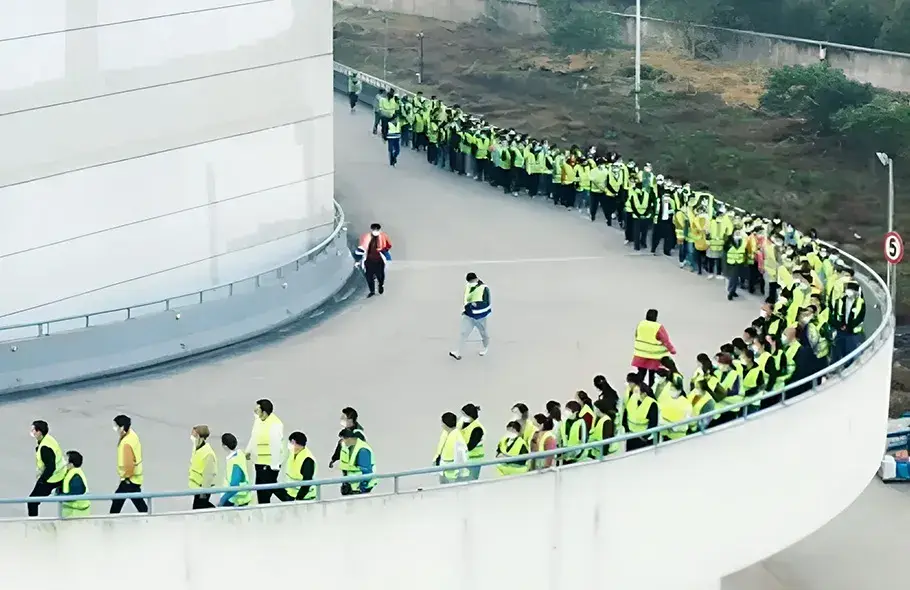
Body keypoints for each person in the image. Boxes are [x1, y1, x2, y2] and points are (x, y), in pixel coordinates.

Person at [245, 399, 284, 505]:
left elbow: (276, 444)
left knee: (269, 487)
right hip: (259, 462)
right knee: (261, 489)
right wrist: (248, 451)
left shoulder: (275, 424)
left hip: (270, 463)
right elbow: (254, 437)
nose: (255, 412)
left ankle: (289, 500)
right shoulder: (258, 421)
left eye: (257, 410)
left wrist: (274, 465)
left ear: (265, 412)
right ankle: (264, 508)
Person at [27, 420, 66, 517]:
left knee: (32, 501)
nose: (32, 432)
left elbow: (51, 467)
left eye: (33, 430)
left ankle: (33, 524)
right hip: (61, 473)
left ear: (39, 432)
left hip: (52, 478)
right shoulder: (48, 439)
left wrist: (42, 480)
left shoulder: (45, 448)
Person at [110, 414, 148, 514]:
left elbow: (129, 465)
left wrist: (126, 478)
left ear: (122, 427)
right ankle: (147, 515)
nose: (115, 428)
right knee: (136, 501)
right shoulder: (131, 435)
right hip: (133, 478)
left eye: (116, 426)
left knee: (118, 501)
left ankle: (110, 522)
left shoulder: (126, 443)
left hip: (129, 480)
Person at [449, 272, 491, 360]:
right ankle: (457, 352)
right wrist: (466, 309)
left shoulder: (484, 289)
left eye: (472, 281)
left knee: (483, 333)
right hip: (468, 315)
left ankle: (485, 347)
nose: (471, 283)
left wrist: (475, 306)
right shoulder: (468, 286)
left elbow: (487, 304)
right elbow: (466, 300)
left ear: (476, 279)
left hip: (480, 317)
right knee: (463, 333)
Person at [631, 308, 677, 387]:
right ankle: (650, 392)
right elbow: (665, 340)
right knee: (651, 377)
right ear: (656, 317)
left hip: (641, 354)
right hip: (653, 356)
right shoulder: (658, 327)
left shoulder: (641, 324)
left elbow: (636, 335)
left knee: (641, 375)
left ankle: (638, 391)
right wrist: (672, 350)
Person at [276, 432, 318, 501]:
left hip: (305, 498)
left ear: (297, 444)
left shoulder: (307, 459)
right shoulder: (293, 453)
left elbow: (307, 483)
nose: (289, 444)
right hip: (291, 494)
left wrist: (298, 499)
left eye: (291, 442)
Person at [831, 281, 865, 364]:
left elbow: (860, 317)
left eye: (850, 289)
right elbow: (835, 314)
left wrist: (849, 327)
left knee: (850, 351)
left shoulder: (860, 302)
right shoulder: (840, 301)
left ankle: (849, 366)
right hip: (840, 330)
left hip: (852, 332)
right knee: (839, 350)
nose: (847, 291)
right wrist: (839, 325)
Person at [356, 223, 392, 298]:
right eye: (374, 229)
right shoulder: (367, 237)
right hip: (369, 260)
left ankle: (380, 285)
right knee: (369, 276)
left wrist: (384, 249)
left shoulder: (383, 236)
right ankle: (372, 291)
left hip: (379, 260)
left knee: (380, 275)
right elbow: (362, 246)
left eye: (376, 229)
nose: (375, 231)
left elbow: (388, 245)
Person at [337, 428, 376, 495]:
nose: (342, 442)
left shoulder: (362, 450)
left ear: (349, 438)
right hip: (351, 486)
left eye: (343, 439)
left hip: (360, 488)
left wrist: (362, 487)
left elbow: (366, 472)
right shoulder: (348, 448)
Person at [219, 433, 252, 508]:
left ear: (224, 446)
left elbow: (235, 485)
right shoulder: (240, 453)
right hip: (245, 496)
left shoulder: (233, 463)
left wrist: (222, 500)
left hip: (235, 498)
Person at [188, 425, 217, 510]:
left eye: (193, 435)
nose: (191, 437)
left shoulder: (208, 453)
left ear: (199, 436)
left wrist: (203, 493)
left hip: (202, 489)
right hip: (196, 488)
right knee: (200, 508)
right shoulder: (197, 447)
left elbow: (209, 475)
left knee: (199, 509)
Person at [624, 380, 658, 451]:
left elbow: (653, 423)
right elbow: (626, 412)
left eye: (636, 392)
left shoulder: (651, 404)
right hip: (631, 435)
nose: (634, 394)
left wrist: (645, 436)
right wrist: (626, 429)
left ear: (644, 394)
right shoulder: (633, 398)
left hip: (643, 439)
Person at [434, 412, 468, 484]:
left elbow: (462, 456)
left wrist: (460, 472)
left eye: (442, 422)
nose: (441, 424)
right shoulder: (445, 433)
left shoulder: (457, 436)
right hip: (443, 468)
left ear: (446, 423)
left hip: (453, 471)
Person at [60, 451, 90, 519]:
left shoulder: (76, 476)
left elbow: (74, 495)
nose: (64, 463)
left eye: (66, 460)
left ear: (71, 464)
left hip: (77, 513)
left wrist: (59, 495)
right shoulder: (70, 473)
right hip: (71, 512)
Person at [460, 404, 485, 480]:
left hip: (474, 460)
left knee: (470, 481)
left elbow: (470, 446)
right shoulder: (462, 424)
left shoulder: (477, 428)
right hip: (464, 459)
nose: (462, 417)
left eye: (464, 415)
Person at [726, 229, 747, 301]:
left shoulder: (742, 241)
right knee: (734, 278)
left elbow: (744, 250)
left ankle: (732, 290)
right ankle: (731, 292)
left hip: (739, 262)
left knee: (735, 278)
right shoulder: (729, 241)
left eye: (739, 233)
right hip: (732, 262)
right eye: (736, 233)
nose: (738, 234)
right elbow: (725, 249)